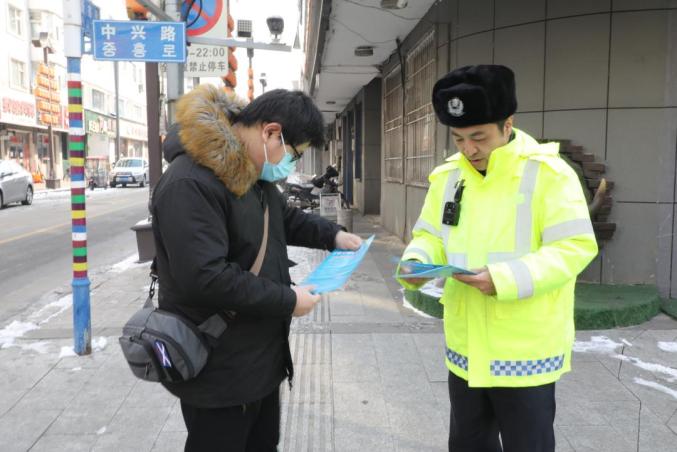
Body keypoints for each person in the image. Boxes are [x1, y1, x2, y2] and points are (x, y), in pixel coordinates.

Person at [397, 65, 598, 452]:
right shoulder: (449, 177)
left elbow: (574, 247)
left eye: (479, 137)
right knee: (467, 444)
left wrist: (503, 279)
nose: (468, 149)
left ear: (508, 125)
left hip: (525, 349)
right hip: (466, 346)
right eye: (458, 138)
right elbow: (430, 234)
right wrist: (417, 261)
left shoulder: (549, 174)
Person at [151, 85, 362, 451]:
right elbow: (205, 277)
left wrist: (334, 236)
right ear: (270, 132)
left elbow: (286, 218)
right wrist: (288, 300)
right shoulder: (190, 182)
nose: (291, 165)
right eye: (294, 155)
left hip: (258, 362)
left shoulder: (253, 175)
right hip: (218, 371)